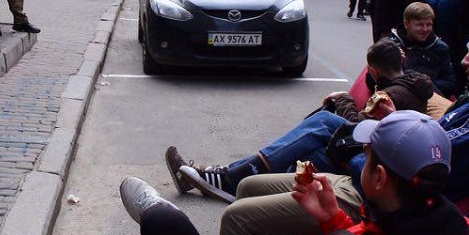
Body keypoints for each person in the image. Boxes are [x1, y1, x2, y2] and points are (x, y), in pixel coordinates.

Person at [176, 22, 469, 235]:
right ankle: (240, 186)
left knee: (239, 215)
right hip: (375, 181)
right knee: (255, 183)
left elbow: (430, 164)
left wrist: (358, 153)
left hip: (386, 196)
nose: (464, 60)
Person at [121, 111, 469, 235]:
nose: (362, 162)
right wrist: (333, 220)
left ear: (378, 180)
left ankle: (159, 215)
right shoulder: (442, 223)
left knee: (163, 226)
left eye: (367, 158)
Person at [168, 38, 435, 208]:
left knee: (322, 124)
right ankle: (224, 177)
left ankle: (232, 177)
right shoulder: (408, 84)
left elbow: (359, 130)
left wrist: (343, 100)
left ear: (374, 70)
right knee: (305, 148)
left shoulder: (393, 95)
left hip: (371, 158)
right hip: (366, 154)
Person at [391, 3, 456, 97]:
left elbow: (450, 83)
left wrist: (422, 84)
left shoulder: (440, 48)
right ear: (406, 24)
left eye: (429, 24)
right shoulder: (393, 45)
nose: (425, 29)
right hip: (397, 94)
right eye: (420, 25)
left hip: (428, 96)